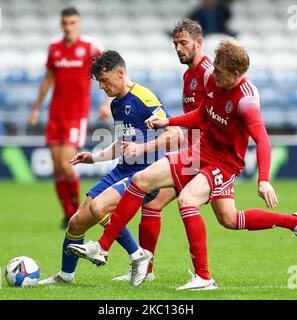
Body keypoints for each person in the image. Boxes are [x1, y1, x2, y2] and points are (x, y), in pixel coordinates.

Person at [68, 38, 297, 290]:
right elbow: (203, 114)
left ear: (236, 73)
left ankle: (204, 277)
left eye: (219, 72)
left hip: (225, 163)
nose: (213, 75)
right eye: (214, 68)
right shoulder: (213, 78)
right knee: (141, 181)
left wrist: (263, 179)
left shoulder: (247, 100)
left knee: (189, 202)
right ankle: (103, 247)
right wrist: (169, 121)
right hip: (200, 150)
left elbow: (262, 140)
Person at [38, 50, 182, 287]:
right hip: (121, 170)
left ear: (120, 73)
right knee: (77, 221)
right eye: (99, 83)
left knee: (98, 206)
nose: (102, 87)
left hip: (145, 175)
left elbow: (175, 134)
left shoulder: (144, 99)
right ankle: (66, 276)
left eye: (104, 81)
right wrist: (94, 158)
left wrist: (142, 148)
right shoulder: (117, 104)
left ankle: (138, 255)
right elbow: (122, 144)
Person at [112, 18, 215, 282]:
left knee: (229, 217)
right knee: (154, 202)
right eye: (175, 44)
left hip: (207, 156)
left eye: (183, 43)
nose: (179, 48)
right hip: (193, 152)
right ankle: (147, 271)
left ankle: (294, 222)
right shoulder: (188, 74)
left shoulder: (208, 72)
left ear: (198, 42)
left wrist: (171, 125)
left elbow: (210, 115)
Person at [28, 7, 111, 228]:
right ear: (61, 24)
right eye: (65, 23)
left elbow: (109, 68)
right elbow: (48, 79)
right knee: (57, 167)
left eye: (72, 23)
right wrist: (36, 108)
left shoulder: (90, 47)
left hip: (76, 115)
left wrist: (107, 102)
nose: (68, 27)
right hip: (56, 114)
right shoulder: (54, 48)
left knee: (66, 165)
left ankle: (76, 210)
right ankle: (67, 214)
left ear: (78, 23)